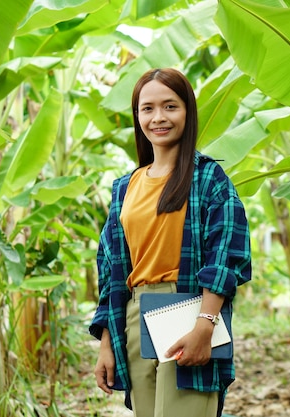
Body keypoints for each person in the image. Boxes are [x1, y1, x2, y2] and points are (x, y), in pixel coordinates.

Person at [88, 67, 252, 417]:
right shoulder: (123, 188)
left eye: (170, 106)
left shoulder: (209, 178)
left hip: (189, 308)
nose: (158, 117)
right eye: (147, 109)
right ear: (137, 117)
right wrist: (107, 343)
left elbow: (226, 255)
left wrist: (205, 325)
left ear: (187, 112)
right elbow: (111, 273)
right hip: (134, 313)